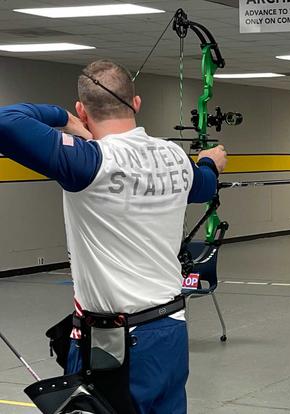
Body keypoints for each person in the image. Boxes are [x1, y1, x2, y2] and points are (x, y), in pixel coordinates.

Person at [0, 59, 227, 413]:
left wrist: (62, 119)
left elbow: (6, 122)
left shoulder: (89, 162)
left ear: (82, 109)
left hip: (114, 343)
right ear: (135, 104)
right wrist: (211, 161)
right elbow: (205, 185)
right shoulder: (174, 157)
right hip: (170, 329)